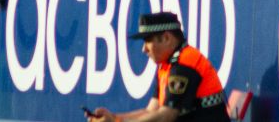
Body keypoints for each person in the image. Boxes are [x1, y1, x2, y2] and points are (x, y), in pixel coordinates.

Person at [87, 10, 226, 122]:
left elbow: (166, 116)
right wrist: (114, 118)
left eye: (148, 41)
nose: (144, 49)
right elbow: (150, 111)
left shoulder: (184, 65)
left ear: (166, 38)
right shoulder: (167, 65)